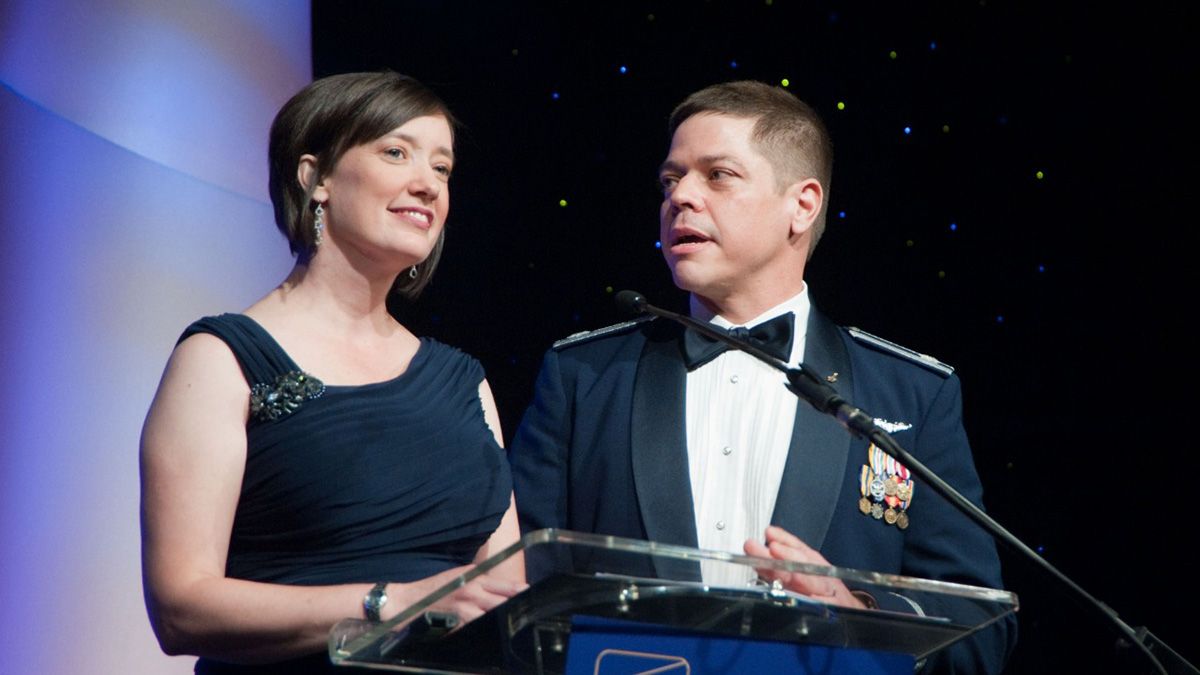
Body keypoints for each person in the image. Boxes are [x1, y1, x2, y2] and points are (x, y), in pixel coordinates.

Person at [509, 80, 1015, 673]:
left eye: (717, 175)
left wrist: (858, 610)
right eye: (670, 180)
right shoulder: (583, 379)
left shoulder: (910, 394)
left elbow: (982, 635)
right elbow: (514, 594)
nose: (681, 197)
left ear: (801, 205)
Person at [140, 72, 524, 674]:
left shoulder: (463, 379)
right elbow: (181, 607)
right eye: (396, 153)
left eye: (443, 169)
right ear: (315, 178)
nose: (427, 185)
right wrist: (387, 603)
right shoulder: (222, 358)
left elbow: (506, 594)